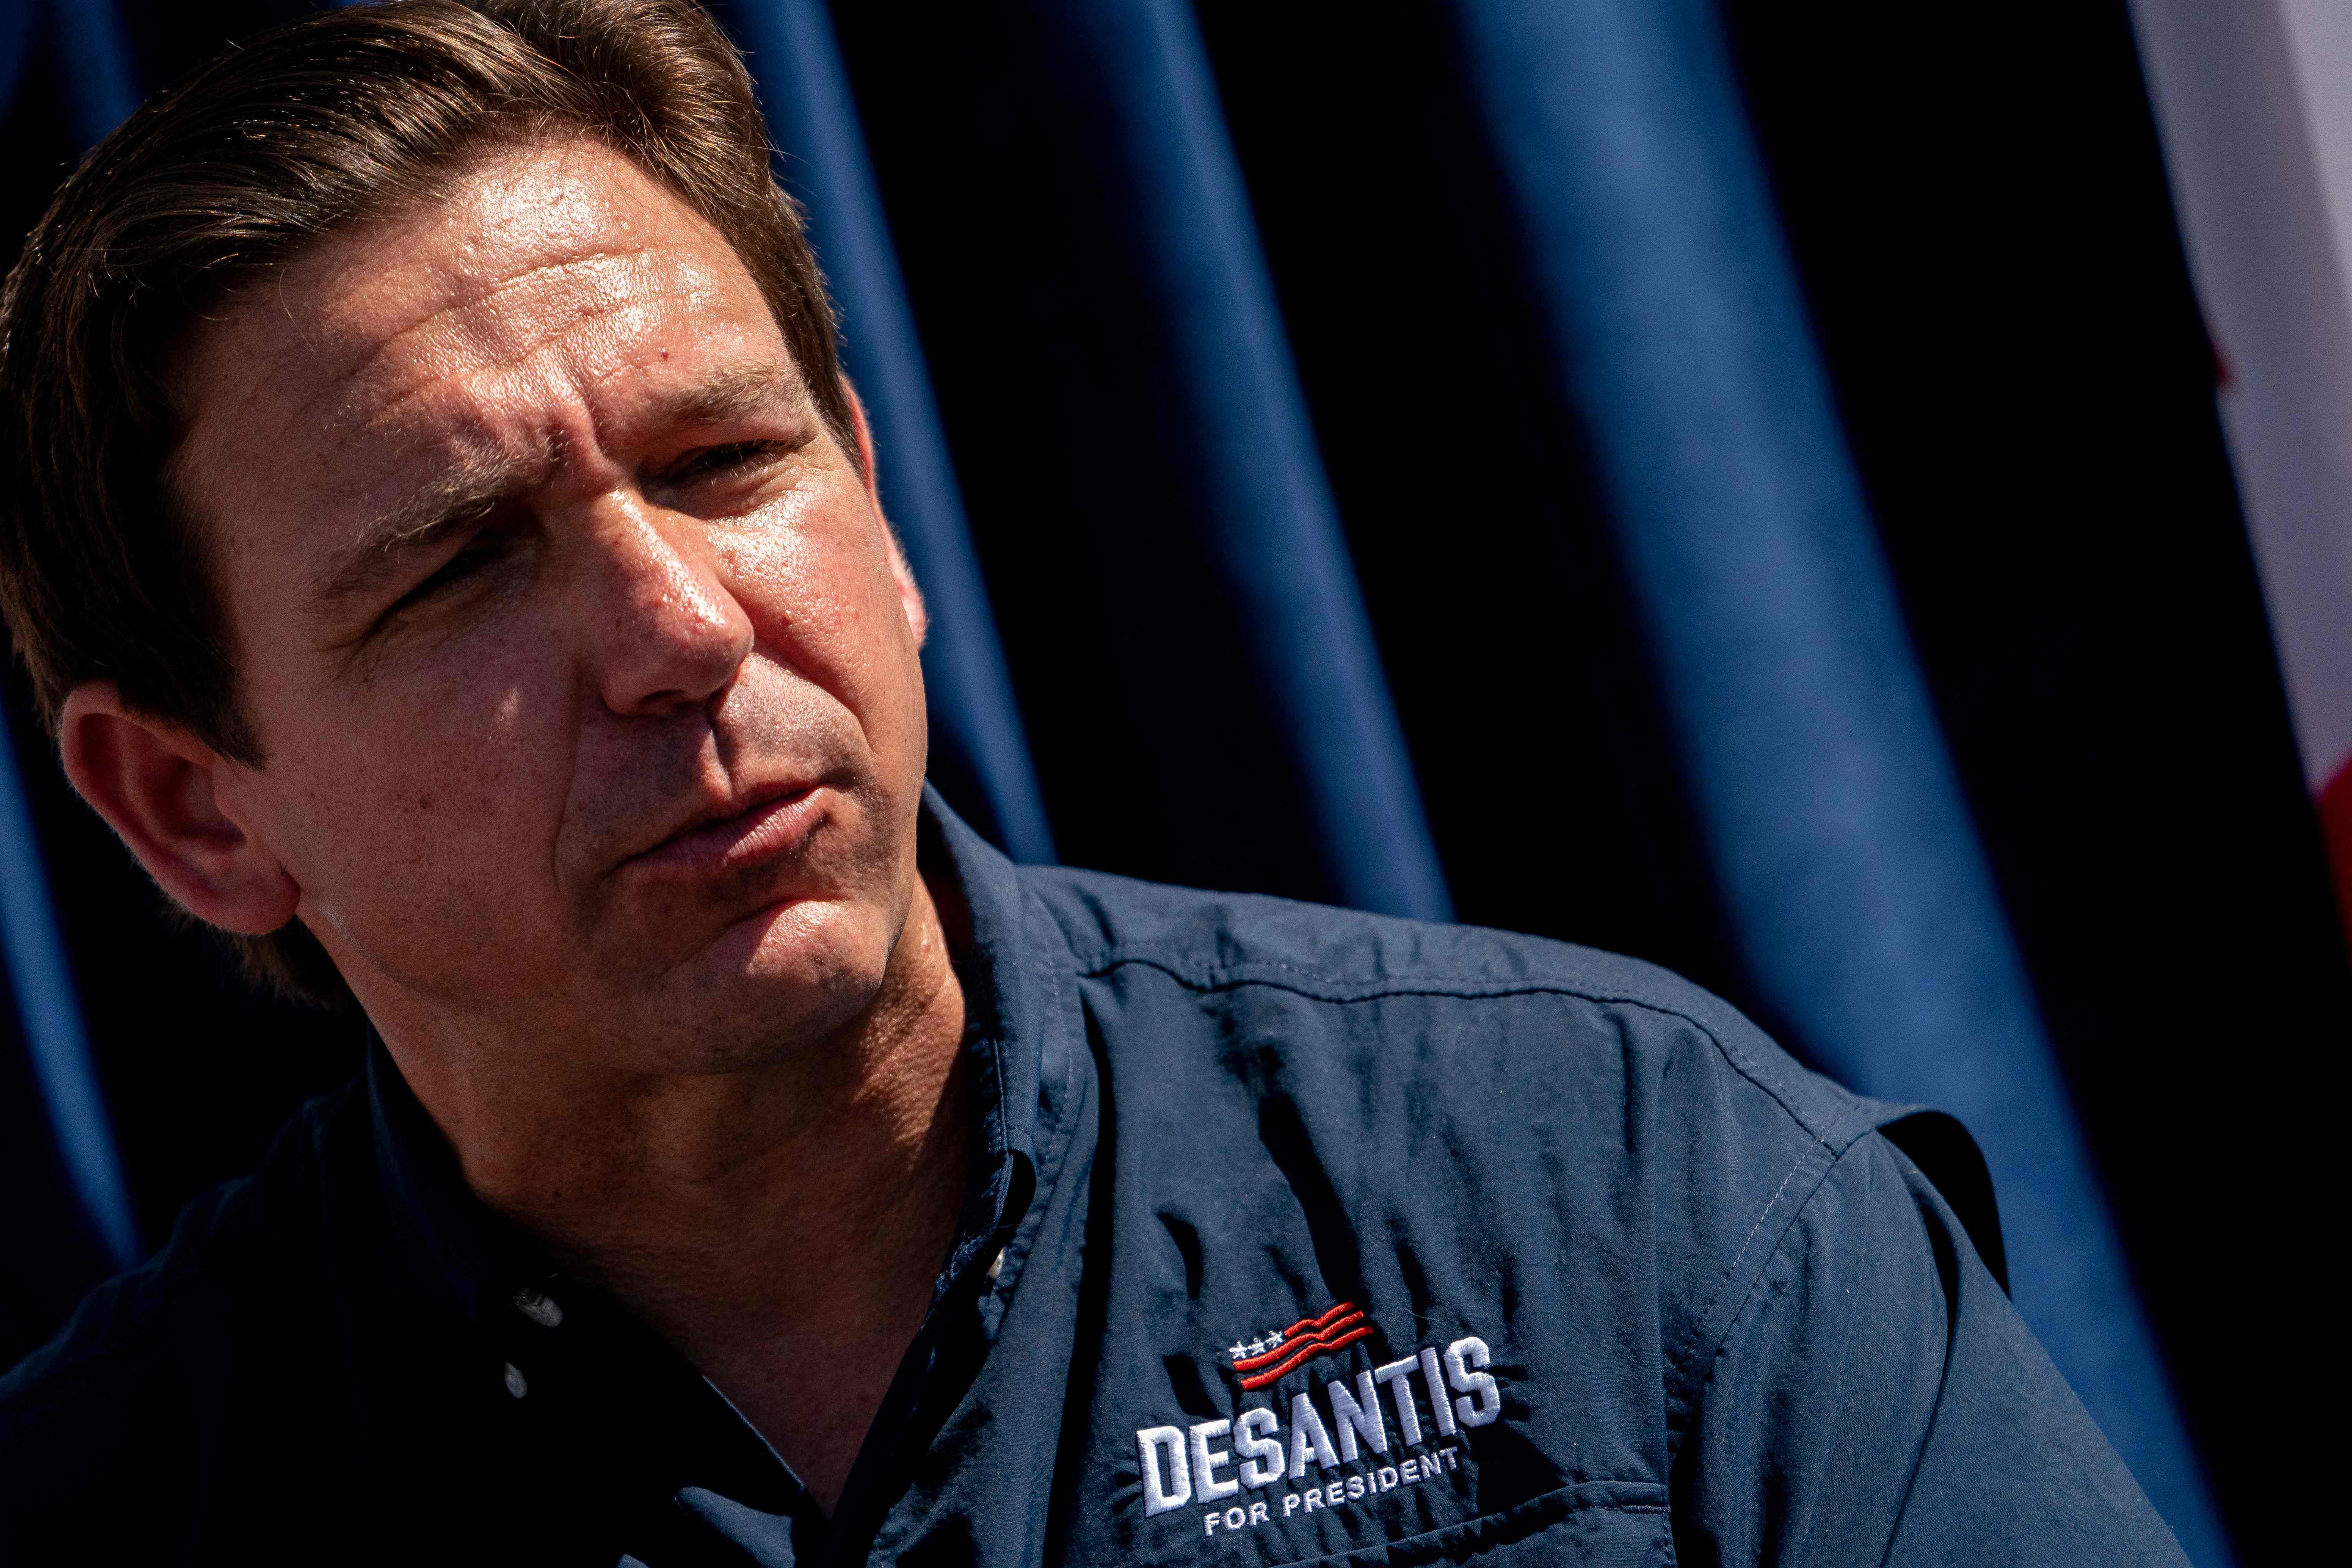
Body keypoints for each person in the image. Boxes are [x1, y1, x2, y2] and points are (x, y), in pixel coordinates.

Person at [0, 2, 2188, 1563]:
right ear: (194, 809)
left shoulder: (1623, 1192)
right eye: (461, 566)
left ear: (874, 499)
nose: (680, 632)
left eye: (725, 464)